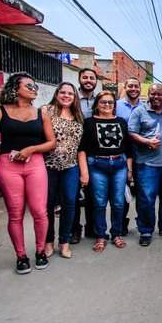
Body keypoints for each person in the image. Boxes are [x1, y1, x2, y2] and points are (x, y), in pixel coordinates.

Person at [0, 73, 56, 274]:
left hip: (35, 163)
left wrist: (31, 149)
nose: (34, 89)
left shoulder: (41, 113)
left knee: (40, 211)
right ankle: (21, 256)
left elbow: (51, 142)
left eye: (35, 86)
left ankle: (40, 252)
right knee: (15, 213)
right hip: (8, 164)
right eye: (29, 85)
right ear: (15, 88)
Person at [78, 90, 133, 252]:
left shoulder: (121, 122)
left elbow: (128, 148)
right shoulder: (89, 122)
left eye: (110, 102)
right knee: (99, 202)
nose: (107, 105)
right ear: (97, 105)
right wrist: (84, 172)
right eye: (103, 102)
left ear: (114, 105)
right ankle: (100, 236)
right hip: (96, 166)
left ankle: (116, 233)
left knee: (118, 202)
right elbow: (82, 149)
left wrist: (129, 169)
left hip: (119, 165)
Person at [128, 83, 162, 246]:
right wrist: (147, 141)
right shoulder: (138, 112)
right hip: (147, 164)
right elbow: (131, 133)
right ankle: (146, 230)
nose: (156, 97)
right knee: (146, 199)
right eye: (153, 94)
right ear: (147, 94)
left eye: (159, 94)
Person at [42, 82, 84, 260]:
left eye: (71, 94)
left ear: (75, 97)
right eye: (63, 93)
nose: (66, 96)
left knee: (69, 204)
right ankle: (48, 241)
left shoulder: (78, 116)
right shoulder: (46, 111)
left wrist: (83, 171)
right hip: (48, 166)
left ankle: (64, 241)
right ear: (57, 94)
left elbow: (81, 147)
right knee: (48, 205)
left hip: (70, 167)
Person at [72, 67, 99, 243]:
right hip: (73, 150)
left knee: (92, 193)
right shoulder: (72, 99)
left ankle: (92, 227)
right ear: (80, 79)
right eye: (85, 77)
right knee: (73, 194)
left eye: (91, 78)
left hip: (94, 151)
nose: (88, 80)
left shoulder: (100, 100)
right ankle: (75, 229)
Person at [116, 76, 142, 235]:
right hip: (122, 154)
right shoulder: (116, 106)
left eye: (136, 86)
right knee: (122, 192)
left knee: (142, 193)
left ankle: (142, 223)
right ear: (124, 88)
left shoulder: (145, 107)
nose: (133, 89)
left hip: (141, 156)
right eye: (130, 86)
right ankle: (121, 224)